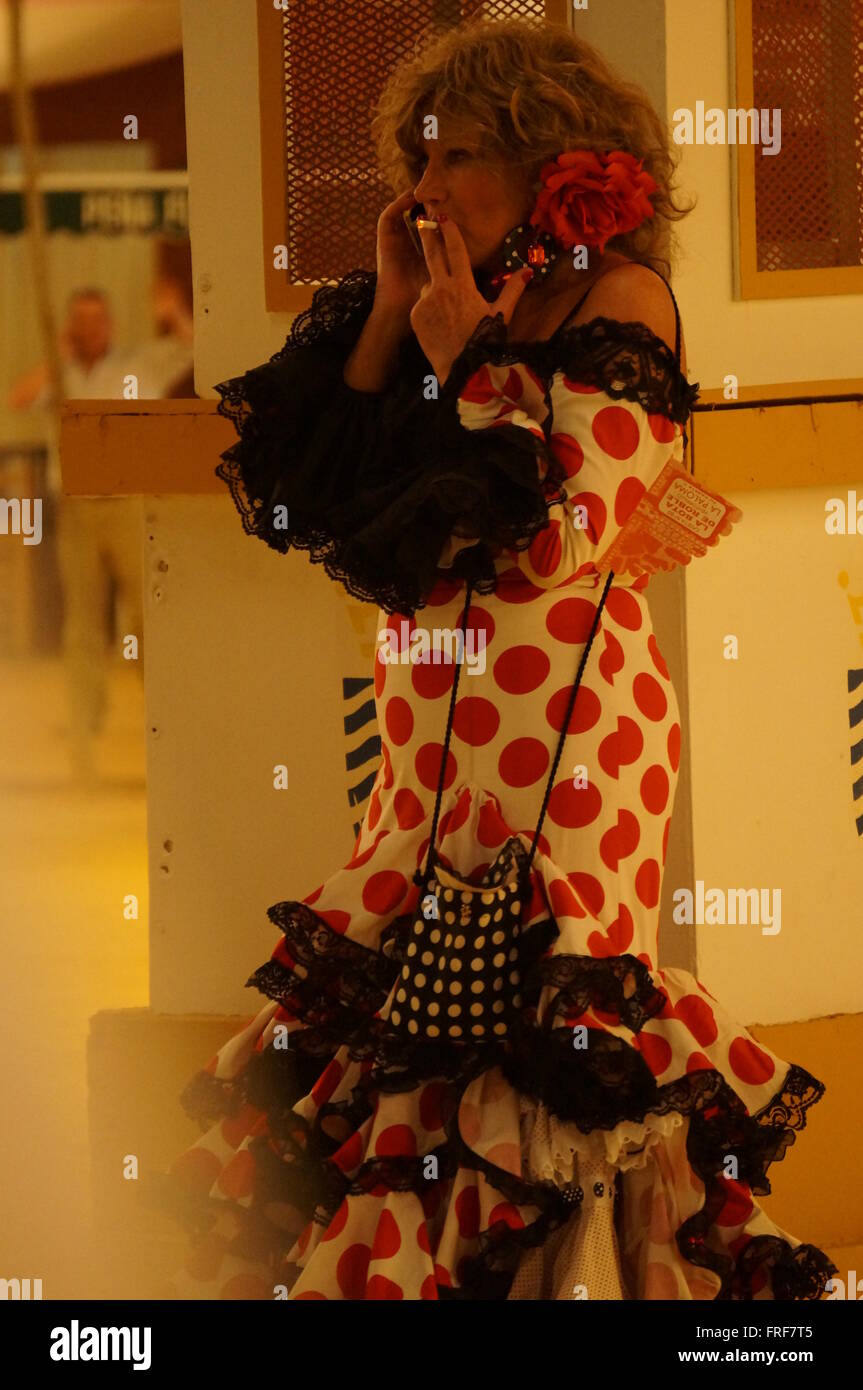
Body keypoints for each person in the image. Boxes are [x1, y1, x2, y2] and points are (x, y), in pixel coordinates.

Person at [151, 18, 836, 1301]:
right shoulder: (437, 303)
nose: (423, 184)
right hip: (425, 739)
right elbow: (320, 500)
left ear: (546, 164)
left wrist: (466, 356)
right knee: (401, 1009)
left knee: (531, 1021)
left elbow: (558, 540)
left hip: (569, 743)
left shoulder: (621, 305)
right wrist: (399, 323)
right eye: (414, 153)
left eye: (457, 152)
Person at [8, 281, 194, 786]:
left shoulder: (140, 365)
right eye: (81, 321)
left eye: (98, 321)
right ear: (72, 326)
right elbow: (18, 398)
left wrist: (173, 312)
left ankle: (165, 725)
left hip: (132, 508)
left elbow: (195, 347)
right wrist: (58, 353)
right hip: (77, 511)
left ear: (110, 325)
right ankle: (83, 731)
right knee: (82, 626)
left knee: (144, 622)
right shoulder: (60, 371)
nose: (90, 330)